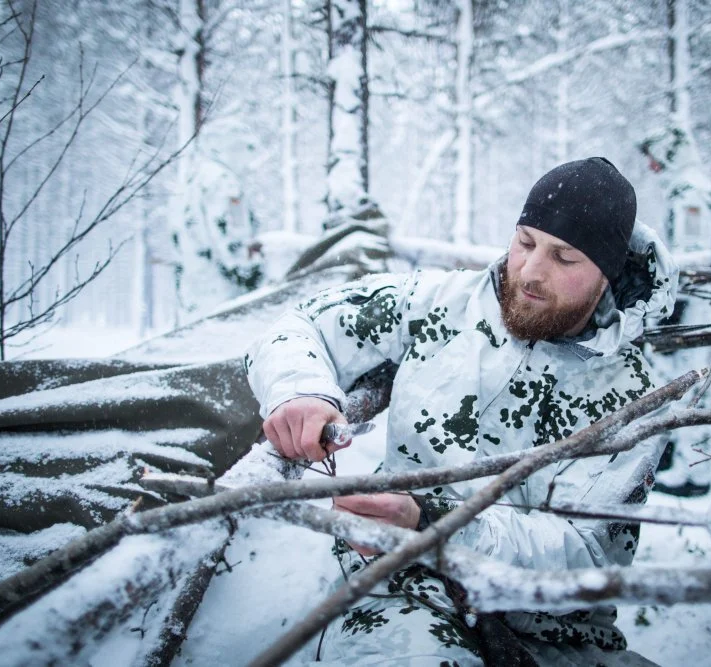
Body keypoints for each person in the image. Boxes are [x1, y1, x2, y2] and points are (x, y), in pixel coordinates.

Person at [246, 157, 677, 665]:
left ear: (606, 274)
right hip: (403, 588)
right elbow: (304, 324)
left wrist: (433, 524)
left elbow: (587, 552)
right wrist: (302, 392)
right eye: (525, 242)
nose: (532, 272)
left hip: (559, 635)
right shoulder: (438, 303)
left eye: (564, 258)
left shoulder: (634, 396)